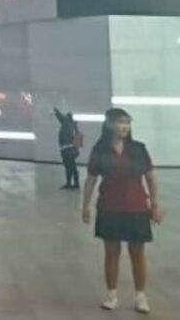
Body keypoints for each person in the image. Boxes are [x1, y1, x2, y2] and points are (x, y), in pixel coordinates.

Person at [81, 108, 162, 314]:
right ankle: (112, 295)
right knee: (111, 253)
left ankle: (141, 297)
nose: (124, 126)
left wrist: (155, 204)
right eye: (120, 122)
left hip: (136, 208)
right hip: (109, 208)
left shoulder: (138, 149)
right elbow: (91, 179)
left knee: (137, 253)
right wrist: (85, 206)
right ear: (109, 125)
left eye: (127, 122)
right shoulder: (99, 150)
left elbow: (151, 178)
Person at [53, 107, 83, 189]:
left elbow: (60, 117)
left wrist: (56, 110)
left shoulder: (67, 124)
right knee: (71, 167)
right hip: (72, 149)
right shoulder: (73, 125)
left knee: (70, 167)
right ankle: (73, 184)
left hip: (67, 150)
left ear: (67, 118)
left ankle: (72, 184)